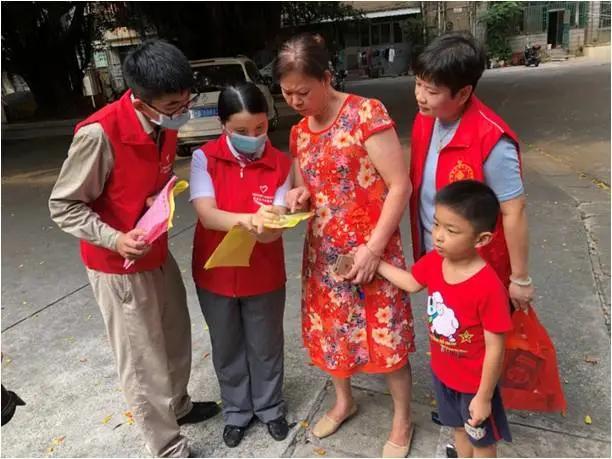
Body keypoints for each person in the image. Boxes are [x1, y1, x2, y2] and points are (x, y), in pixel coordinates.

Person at [49, 40, 219, 458]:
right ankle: (165, 446)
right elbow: (64, 206)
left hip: (155, 251)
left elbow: (144, 177)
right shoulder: (99, 134)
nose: (183, 111)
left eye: (186, 100)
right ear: (141, 102)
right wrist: (115, 237)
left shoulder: (164, 122)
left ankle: (178, 406)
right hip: (118, 265)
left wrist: (159, 197)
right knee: (142, 362)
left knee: (176, 335)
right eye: (174, 105)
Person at [277, 33, 415, 458]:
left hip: (372, 250)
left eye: (304, 91)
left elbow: (399, 185)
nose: (296, 101)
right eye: (287, 93)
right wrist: (296, 197)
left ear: (326, 77)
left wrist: (374, 249)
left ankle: (402, 418)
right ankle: (344, 400)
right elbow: (305, 188)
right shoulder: (299, 133)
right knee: (333, 335)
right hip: (325, 255)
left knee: (386, 337)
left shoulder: (364, 114)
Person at [378, 180, 513, 458]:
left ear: (482, 239)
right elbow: (412, 282)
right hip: (444, 374)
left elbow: (496, 347)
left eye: (451, 230)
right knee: (458, 430)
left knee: (482, 441)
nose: (438, 235)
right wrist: (376, 264)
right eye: (437, 224)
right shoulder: (435, 262)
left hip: (475, 384)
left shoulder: (488, 287)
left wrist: (484, 396)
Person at [190, 82, 291, 448]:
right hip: (214, 271)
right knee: (227, 345)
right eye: (242, 131)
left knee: (266, 345)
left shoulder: (281, 163)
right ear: (223, 127)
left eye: (260, 128)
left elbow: (278, 218)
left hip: (263, 272)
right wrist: (249, 220)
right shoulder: (205, 158)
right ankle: (237, 411)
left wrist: (272, 223)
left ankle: (271, 408)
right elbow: (207, 214)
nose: (253, 137)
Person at [409, 32, 534, 311]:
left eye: (431, 91)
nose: (420, 96)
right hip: (439, 257)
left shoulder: (492, 140)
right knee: (447, 333)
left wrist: (520, 278)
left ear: (464, 92)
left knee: (481, 343)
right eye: (418, 84)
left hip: (479, 270)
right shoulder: (425, 121)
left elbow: (513, 211)